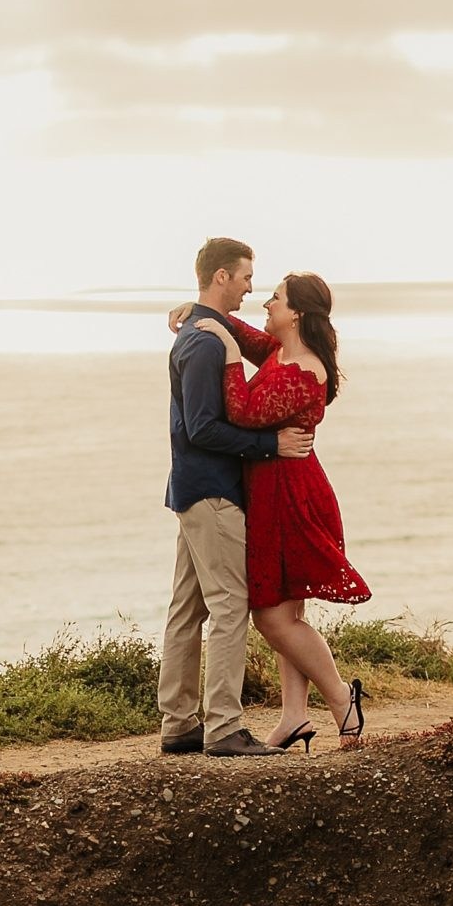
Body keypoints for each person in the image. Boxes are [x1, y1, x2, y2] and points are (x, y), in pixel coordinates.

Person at [169, 272, 370, 751]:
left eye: (275, 298)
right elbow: (239, 331)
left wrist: (227, 349)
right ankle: (294, 717)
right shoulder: (282, 352)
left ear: (296, 312)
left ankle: (343, 701)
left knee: (274, 618)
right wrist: (195, 312)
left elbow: (241, 411)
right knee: (288, 606)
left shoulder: (306, 370)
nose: (265, 303)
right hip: (273, 489)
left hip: (291, 496)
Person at [158, 237, 315, 757]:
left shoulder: (205, 331)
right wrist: (271, 444)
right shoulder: (205, 343)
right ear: (221, 276)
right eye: (246, 277)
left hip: (190, 490)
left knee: (188, 610)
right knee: (230, 607)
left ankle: (179, 724)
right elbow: (203, 428)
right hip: (213, 494)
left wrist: (205, 316)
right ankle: (223, 727)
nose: (251, 287)